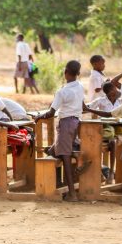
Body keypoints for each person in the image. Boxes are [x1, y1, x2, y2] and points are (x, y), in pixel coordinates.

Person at [35, 60, 84, 202]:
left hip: (66, 123)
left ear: (65, 72)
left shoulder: (62, 92)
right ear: (78, 73)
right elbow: (82, 105)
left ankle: (72, 193)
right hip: (76, 122)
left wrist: (39, 116)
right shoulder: (80, 87)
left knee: (64, 156)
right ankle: (63, 179)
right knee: (53, 151)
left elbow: (51, 113)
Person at [87, 82, 122, 184]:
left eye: (116, 89)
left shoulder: (120, 101)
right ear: (109, 93)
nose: (116, 91)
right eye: (114, 90)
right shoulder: (101, 101)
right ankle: (100, 172)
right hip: (104, 129)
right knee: (92, 144)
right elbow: (88, 107)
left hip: (118, 129)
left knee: (112, 142)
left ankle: (111, 172)